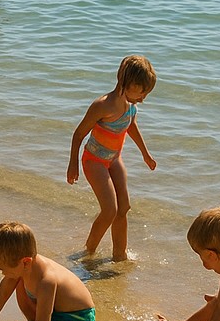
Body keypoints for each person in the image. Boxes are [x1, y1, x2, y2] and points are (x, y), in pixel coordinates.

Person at [66, 55, 157, 261]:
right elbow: (79, 134)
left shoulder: (130, 104)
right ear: (129, 83)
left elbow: (130, 125)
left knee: (123, 208)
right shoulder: (103, 105)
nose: (144, 97)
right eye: (142, 91)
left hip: (114, 159)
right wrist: (73, 164)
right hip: (94, 161)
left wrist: (145, 153)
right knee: (109, 210)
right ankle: (88, 252)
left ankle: (119, 256)